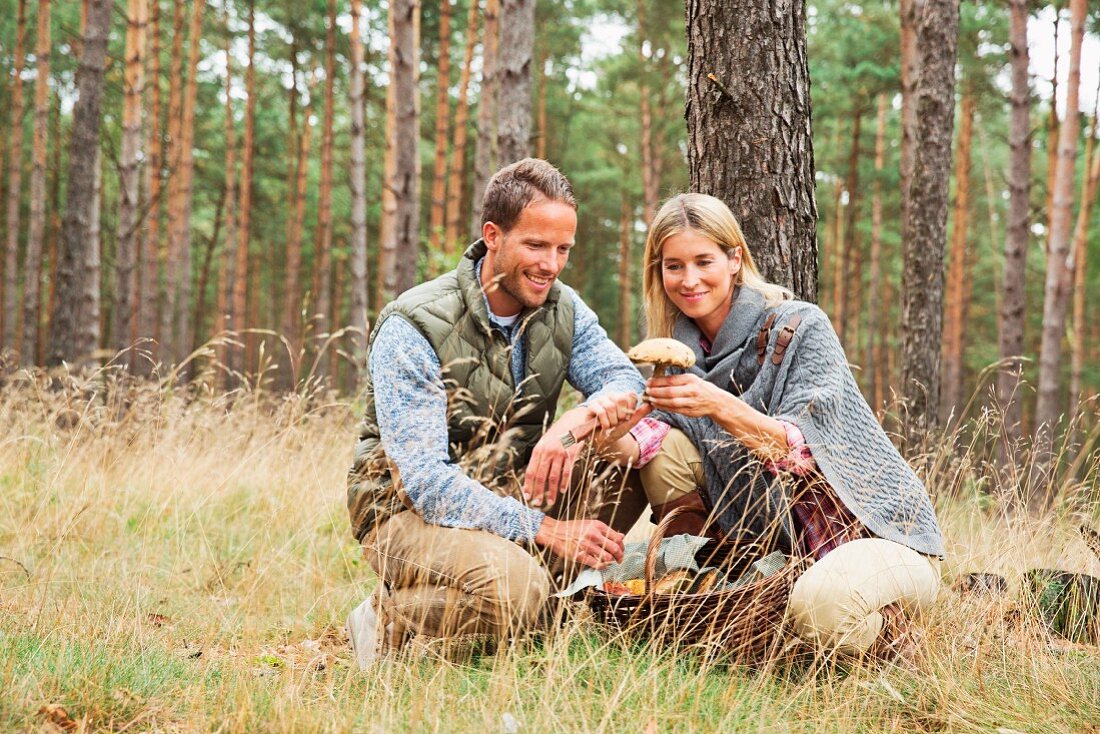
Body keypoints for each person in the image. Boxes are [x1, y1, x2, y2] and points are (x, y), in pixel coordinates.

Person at [612, 192, 945, 659]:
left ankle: (894, 644)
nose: (689, 280)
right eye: (673, 266)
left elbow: (800, 452)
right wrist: (606, 424)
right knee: (665, 448)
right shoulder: (676, 359)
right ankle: (717, 595)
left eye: (703, 261)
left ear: (734, 259)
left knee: (823, 609)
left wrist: (716, 403)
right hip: (778, 554)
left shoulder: (801, 326)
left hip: (879, 536)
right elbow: (640, 447)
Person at [345, 158, 649, 668]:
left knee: (627, 456)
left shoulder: (563, 308)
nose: (550, 265)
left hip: (508, 488)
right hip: (402, 513)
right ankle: (385, 618)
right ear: (493, 236)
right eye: (535, 245)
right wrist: (543, 528)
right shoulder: (413, 323)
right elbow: (424, 483)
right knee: (517, 592)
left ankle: (543, 608)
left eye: (563, 249)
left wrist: (570, 430)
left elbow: (626, 384)